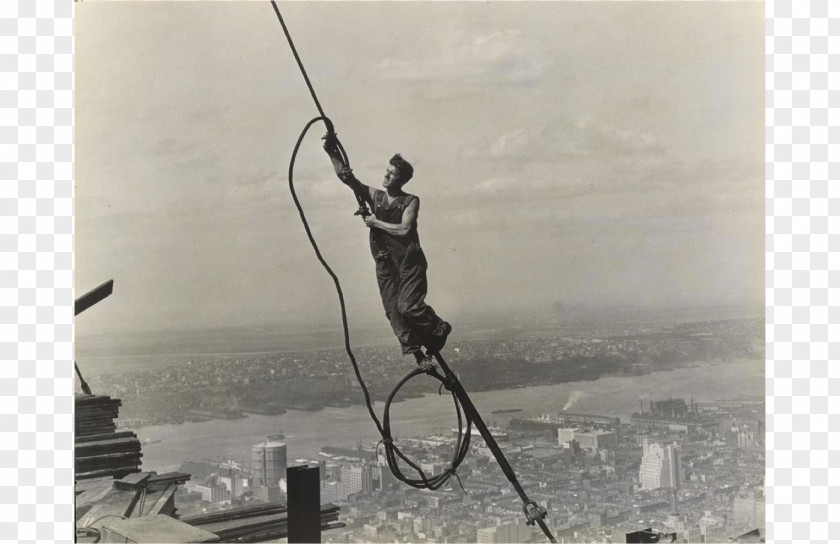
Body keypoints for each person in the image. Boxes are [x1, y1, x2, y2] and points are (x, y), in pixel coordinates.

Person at [323, 135, 451, 367]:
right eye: (387, 170)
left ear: (401, 179)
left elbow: (404, 230)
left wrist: (376, 223)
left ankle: (438, 328)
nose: (386, 175)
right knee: (393, 312)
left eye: (392, 173)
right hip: (384, 262)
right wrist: (331, 151)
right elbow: (348, 179)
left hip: (408, 263)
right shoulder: (376, 197)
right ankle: (419, 356)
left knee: (408, 307)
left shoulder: (410, 201)